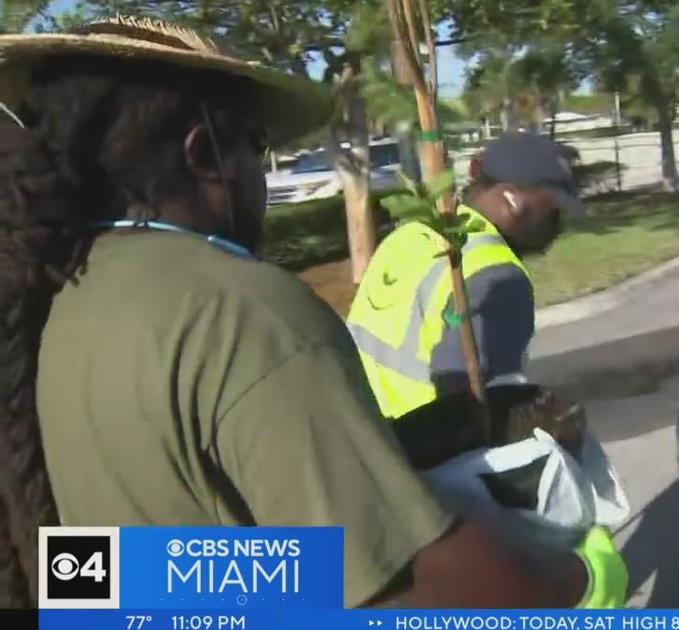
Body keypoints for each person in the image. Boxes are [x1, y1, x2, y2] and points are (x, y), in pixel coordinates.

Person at [0, 18, 624, 609]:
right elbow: (407, 584)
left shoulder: (61, 293)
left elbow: (134, 563)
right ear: (205, 154)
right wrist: (585, 578)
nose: (259, 179)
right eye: (257, 148)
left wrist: (446, 433)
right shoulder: (238, 309)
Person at [346, 132, 581, 419]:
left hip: (361, 432)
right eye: (554, 212)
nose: (559, 226)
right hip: (422, 453)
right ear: (512, 200)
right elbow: (471, 411)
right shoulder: (499, 278)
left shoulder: (410, 234)